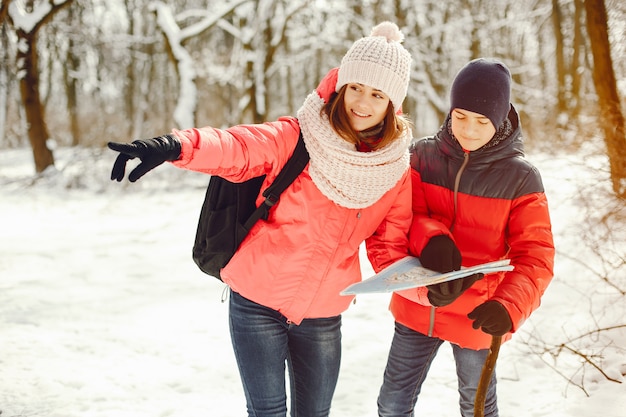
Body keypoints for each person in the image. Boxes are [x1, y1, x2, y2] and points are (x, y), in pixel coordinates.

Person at [108, 22, 413, 417]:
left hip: (323, 314)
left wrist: (424, 288)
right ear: (341, 86)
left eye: (377, 94)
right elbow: (236, 147)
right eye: (355, 87)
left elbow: (389, 247)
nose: (362, 102)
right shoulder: (298, 136)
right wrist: (175, 145)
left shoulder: (392, 169)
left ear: (393, 104)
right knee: (266, 412)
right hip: (256, 302)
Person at [376, 58, 555, 417]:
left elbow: (535, 257)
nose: (468, 130)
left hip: (478, 313)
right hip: (419, 304)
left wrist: (509, 306)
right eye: (460, 116)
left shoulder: (521, 178)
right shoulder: (421, 156)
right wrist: (433, 240)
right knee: (392, 404)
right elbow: (406, 216)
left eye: (482, 121)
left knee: (477, 407)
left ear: (501, 119)